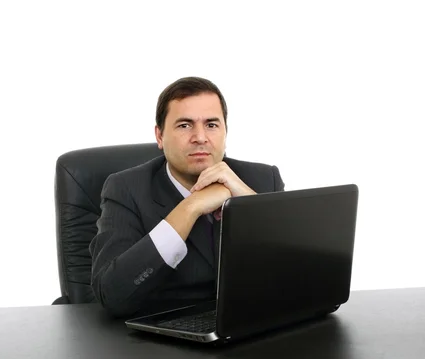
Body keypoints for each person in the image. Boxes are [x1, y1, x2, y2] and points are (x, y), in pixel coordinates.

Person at [89, 77, 285, 317]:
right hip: (165, 341)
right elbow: (113, 294)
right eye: (185, 125)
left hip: (252, 329)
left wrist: (250, 205)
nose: (200, 137)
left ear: (225, 132)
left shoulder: (263, 179)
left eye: (212, 125)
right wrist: (190, 207)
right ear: (160, 136)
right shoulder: (126, 189)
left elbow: (298, 278)